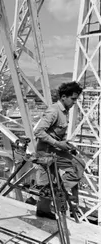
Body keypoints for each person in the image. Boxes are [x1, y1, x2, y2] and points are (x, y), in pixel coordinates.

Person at [34, 81, 85, 220]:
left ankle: (52, 196)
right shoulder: (54, 111)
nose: (75, 102)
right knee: (77, 166)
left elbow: (56, 134)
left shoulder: (64, 111)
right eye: (73, 99)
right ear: (64, 97)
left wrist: (66, 145)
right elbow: (38, 131)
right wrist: (58, 143)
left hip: (54, 150)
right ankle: (56, 193)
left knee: (76, 165)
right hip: (46, 152)